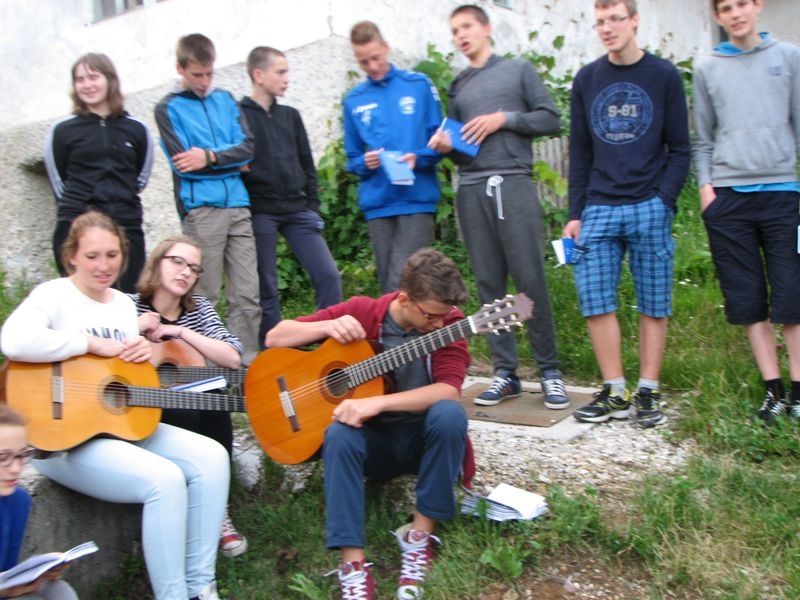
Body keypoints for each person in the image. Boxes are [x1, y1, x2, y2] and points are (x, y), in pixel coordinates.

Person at [0, 211, 228, 600]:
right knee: (165, 479)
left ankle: (201, 587)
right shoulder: (54, 294)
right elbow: (14, 340)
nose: (103, 266)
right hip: (61, 441)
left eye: (112, 255)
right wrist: (90, 343)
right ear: (72, 256)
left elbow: (114, 379)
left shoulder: (122, 305)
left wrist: (141, 356)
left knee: (213, 457)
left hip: (111, 429)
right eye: (92, 256)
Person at [265, 247, 470, 600]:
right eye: (431, 315)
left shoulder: (449, 324)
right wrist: (328, 326)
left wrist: (377, 402)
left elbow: (448, 390)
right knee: (338, 433)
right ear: (404, 299)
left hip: (424, 441)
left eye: (444, 315)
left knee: (450, 414)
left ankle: (419, 539)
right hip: (376, 444)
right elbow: (275, 337)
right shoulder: (363, 312)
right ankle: (353, 564)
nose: (439, 323)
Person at [428, 4, 570, 410]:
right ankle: (506, 373)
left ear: (486, 28)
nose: (461, 35)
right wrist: (447, 147)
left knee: (530, 280)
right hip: (472, 188)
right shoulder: (458, 86)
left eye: (467, 27)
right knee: (490, 285)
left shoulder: (518, 70)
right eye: (455, 30)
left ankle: (550, 372)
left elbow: (551, 119)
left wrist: (504, 119)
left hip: (513, 182)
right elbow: (464, 152)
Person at [562, 0, 691, 427]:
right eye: (600, 21)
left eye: (615, 18)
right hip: (598, 206)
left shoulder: (663, 75)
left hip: (648, 204)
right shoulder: (587, 79)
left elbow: (680, 147)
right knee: (595, 299)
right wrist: (575, 213)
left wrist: (664, 200)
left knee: (654, 300)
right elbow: (580, 152)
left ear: (634, 20)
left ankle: (648, 390)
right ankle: (615, 390)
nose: (607, 28)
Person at [694, 0, 800, 425]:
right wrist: (707, 189)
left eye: (742, 3)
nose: (735, 13)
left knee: (791, 295)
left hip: (782, 195)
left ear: (757, 6)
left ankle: (799, 392)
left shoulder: (788, 57)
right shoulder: (707, 69)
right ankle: (773, 390)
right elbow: (703, 138)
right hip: (729, 199)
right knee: (748, 298)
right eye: (726, 7)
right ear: (717, 15)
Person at [130, 235, 248, 557]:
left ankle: (217, 509)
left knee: (214, 399)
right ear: (158, 263)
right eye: (177, 262)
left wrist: (181, 332)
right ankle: (181, 510)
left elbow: (232, 356)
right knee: (185, 409)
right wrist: (134, 325)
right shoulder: (129, 305)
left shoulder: (199, 310)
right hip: (137, 405)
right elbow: (98, 339)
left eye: (193, 268)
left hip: (187, 398)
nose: (185, 272)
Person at [154, 33, 261, 364]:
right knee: (204, 295)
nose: (204, 82)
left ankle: (245, 367)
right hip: (202, 211)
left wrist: (210, 157)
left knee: (248, 294)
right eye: (196, 74)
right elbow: (183, 165)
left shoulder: (226, 100)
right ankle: (205, 372)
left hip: (238, 206)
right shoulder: (168, 108)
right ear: (180, 69)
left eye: (209, 74)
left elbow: (249, 149)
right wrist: (230, 162)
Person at [239, 46, 342, 344]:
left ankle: (330, 344)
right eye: (281, 72)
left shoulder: (290, 115)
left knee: (328, 275)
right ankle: (276, 354)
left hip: (298, 210)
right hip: (261, 211)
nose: (287, 78)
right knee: (267, 287)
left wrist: (312, 207)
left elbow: (307, 163)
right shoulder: (239, 115)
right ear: (259, 75)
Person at [343, 21, 444, 294]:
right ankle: (395, 326)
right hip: (378, 203)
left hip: (416, 199)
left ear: (386, 47)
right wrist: (365, 163)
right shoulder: (354, 99)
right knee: (390, 287)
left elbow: (441, 141)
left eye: (376, 57)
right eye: (364, 62)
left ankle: (410, 326)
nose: (372, 66)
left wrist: (418, 158)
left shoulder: (418, 85)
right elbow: (352, 157)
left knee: (406, 282)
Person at [44, 52, 153, 293]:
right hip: (76, 224)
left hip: (126, 224)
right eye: (80, 79)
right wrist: (84, 209)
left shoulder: (137, 129)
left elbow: (140, 178)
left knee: (128, 298)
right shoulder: (62, 130)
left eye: (93, 77)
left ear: (110, 80)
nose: (87, 85)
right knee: (80, 298)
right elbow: (58, 181)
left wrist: (120, 198)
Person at [0, 406, 79, 600]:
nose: (16, 468)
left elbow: (5, 572)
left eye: (22, 455)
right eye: (3, 457)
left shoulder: (17, 501)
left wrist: (36, 571)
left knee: (57, 590)